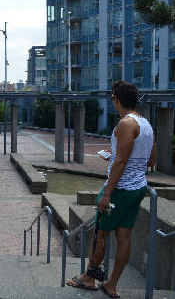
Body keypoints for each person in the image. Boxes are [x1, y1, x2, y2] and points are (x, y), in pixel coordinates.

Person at [67, 80, 156, 298]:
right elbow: (151, 159)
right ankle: (111, 284)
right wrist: (119, 155)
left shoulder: (125, 124)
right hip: (137, 188)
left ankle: (89, 278)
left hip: (120, 189)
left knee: (101, 234)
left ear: (116, 100)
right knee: (124, 235)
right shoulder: (145, 124)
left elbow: (121, 162)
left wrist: (106, 193)